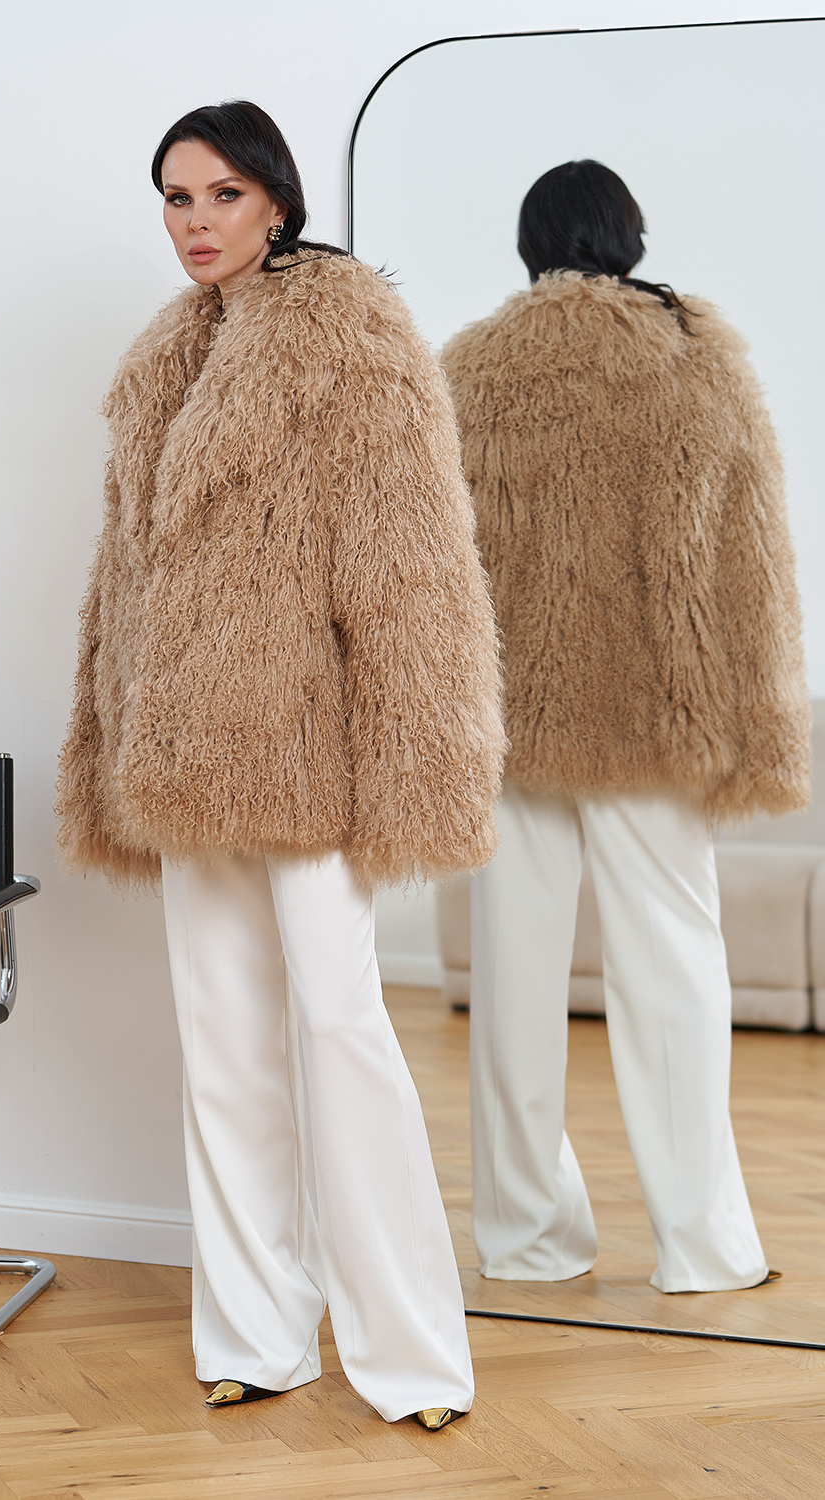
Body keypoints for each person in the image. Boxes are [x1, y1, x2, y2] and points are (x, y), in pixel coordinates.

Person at [56, 100, 505, 1426]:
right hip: (183, 756)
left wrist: (415, 761)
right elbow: (123, 584)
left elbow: (414, 567)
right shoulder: (166, 358)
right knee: (224, 1047)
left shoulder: (355, 340)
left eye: (223, 195)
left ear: (278, 203)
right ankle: (257, 1334)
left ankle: (413, 1356)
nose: (196, 222)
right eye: (175, 197)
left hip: (310, 750)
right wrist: (113, 729)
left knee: (341, 1032)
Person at [441, 159, 809, 1294]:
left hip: (511, 719)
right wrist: (762, 722)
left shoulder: (467, 368)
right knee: (675, 974)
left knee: (512, 986)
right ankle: (704, 1247)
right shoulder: (694, 355)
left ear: (529, 245)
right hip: (655, 714)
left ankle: (525, 1240)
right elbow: (753, 558)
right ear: (628, 238)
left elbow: (436, 572)